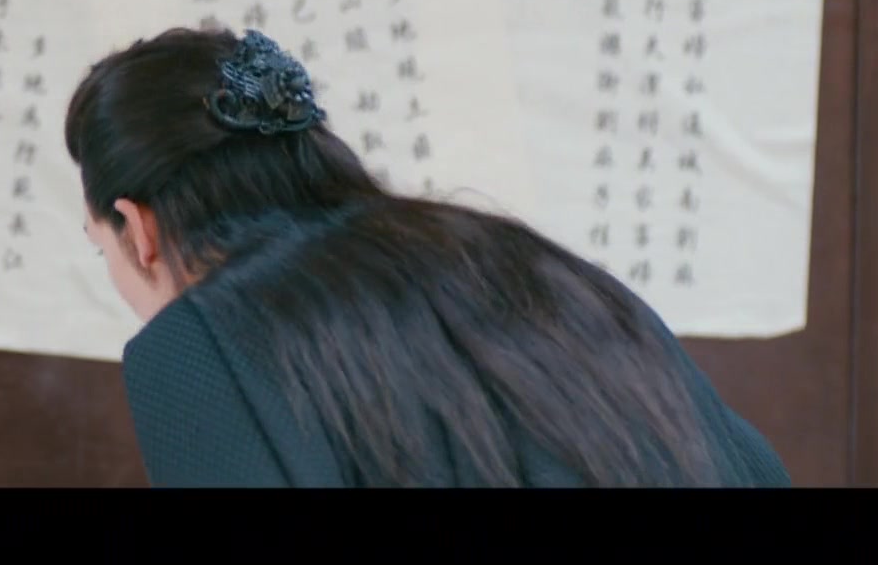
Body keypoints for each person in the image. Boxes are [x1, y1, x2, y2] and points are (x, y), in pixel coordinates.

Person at [63, 26, 789, 488]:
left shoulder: (199, 346)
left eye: (103, 250)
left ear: (139, 228)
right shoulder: (522, 262)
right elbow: (752, 467)